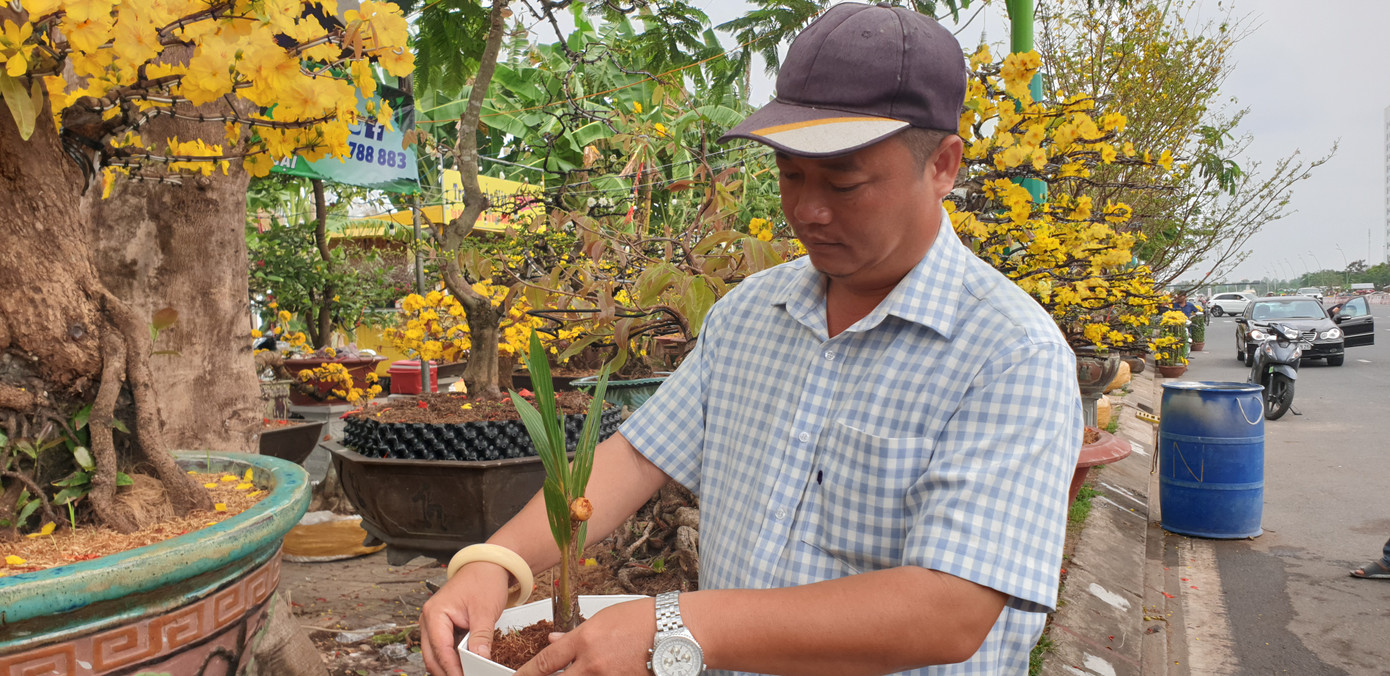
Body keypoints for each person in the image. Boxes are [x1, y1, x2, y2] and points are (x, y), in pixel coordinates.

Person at [420, 4, 1082, 674]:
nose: (807, 211)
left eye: (844, 183)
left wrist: (676, 625)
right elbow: (637, 459)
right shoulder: (752, 315)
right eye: (790, 175)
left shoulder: (1008, 355)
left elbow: (950, 609)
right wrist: (495, 563)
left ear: (942, 165)